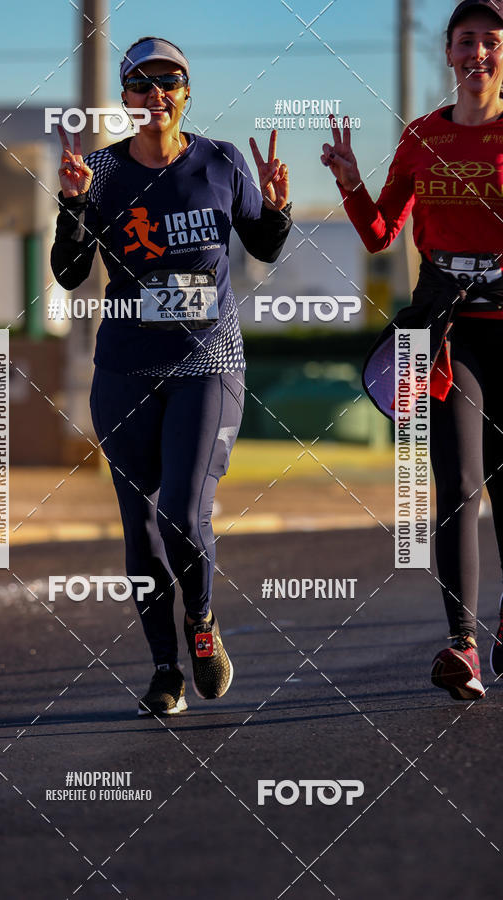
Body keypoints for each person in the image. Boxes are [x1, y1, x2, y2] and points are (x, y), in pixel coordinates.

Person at [51, 36, 292, 715]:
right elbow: (69, 274)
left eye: (170, 81)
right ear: (125, 97)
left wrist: (276, 208)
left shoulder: (220, 162)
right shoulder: (98, 170)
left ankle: (203, 624)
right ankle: (164, 670)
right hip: (126, 366)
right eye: (140, 84)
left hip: (206, 361)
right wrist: (71, 206)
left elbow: (264, 244)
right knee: (141, 529)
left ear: (186, 92)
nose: (155, 95)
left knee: (183, 513)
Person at [320, 0, 503, 700]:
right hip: (450, 335)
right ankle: (462, 647)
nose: (477, 54)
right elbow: (377, 232)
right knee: (458, 487)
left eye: (490, 41)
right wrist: (348, 179)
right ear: (449, 53)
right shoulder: (423, 137)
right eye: (466, 41)